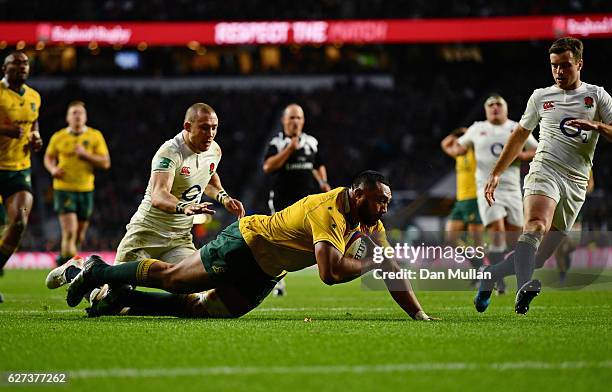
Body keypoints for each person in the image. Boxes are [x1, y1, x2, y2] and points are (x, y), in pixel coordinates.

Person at [63, 171, 436, 321]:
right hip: (246, 242)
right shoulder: (326, 209)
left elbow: (391, 268)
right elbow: (330, 273)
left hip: (267, 269)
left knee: (205, 312)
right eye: (378, 201)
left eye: (386, 202)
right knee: (177, 280)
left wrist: (419, 315)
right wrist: (369, 264)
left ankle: (121, 301)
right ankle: (99, 270)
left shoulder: (371, 224)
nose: (384, 208)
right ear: (356, 195)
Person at [475, 37, 612, 314]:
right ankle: (523, 289)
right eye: (554, 66)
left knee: (539, 258)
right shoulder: (541, 96)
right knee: (535, 225)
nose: (559, 72)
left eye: (565, 66)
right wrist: (497, 172)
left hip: (576, 181)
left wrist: (596, 125)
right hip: (544, 169)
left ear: (580, 64)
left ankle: (490, 275)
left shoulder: (597, 96)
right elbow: (520, 135)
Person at [45, 102, 245, 291]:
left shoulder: (214, 150)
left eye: (214, 128)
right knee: (113, 295)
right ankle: (73, 270)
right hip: (146, 233)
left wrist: (224, 198)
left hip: (179, 238)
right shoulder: (170, 153)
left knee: (194, 288)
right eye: (204, 128)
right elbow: (159, 196)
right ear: (187, 126)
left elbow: (208, 177)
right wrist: (184, 207)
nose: (210, 134)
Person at [447, 96, 538, 293]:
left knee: (515, 240)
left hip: (512, 188)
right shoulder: (476, 128)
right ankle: (500, 283)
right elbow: (458, 148)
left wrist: (521, 155)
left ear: (506, 109)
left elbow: (536, 149)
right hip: (486, 188)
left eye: (499, 104)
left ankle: (496, 273)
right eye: (490, 105)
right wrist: (454, 148)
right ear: (485, 110)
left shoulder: (517, 127)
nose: (495, 107)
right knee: (497, 230)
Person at [263, 103, 331, 295]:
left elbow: (318, 165)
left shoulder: (311, 142)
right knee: (278, 243)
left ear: (303, 121)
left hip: (307, 202)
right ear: (284, 120)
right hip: (282, 202)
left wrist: (324, 182)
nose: (295, 122)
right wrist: (289, 150)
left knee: (314, 237)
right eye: (292, 118)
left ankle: (327, 272)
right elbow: (268, 167)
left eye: (299, 118)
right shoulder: (276, 143)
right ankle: (277, 282)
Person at [44, 101, 111, 267]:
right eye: (74, 113)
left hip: (86, 189)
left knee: (79, 236)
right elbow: (48, 157)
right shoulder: (59, 137)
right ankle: (72, 270)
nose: (77, 116)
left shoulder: (95, 136)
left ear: (86, 117)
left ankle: (62, 261)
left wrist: (86, 155)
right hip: (63, 188)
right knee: (70, 231)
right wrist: (52, 169)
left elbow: (105, 162)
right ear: (68, 117)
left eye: (80, 113)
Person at [0, 51, 43, 302]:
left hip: (19, 167)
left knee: (18, 222)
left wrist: (36, 137)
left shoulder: (34, 96)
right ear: (4, 68)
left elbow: (33, 124)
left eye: (25, 64)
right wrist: (5, 129)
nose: (22, 67)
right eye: (16, 64)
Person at [440, 127, 484, 276]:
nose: (457, 145)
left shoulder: (475, 152)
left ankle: (483, 274)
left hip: (474, 199)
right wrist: (457, 132)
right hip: (460, 202)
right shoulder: (458, 155)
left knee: (476, 241)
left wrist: (468, 134)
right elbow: (445, 144)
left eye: (461, 142)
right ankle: (477, 265)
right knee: (451, 239)